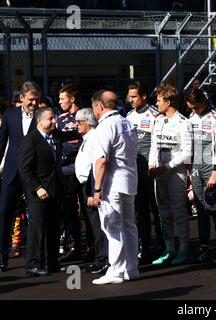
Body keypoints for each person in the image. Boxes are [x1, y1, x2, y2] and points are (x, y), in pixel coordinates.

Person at [18, 107, 79, 276]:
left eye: (55, 118)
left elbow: (73, 134)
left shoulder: (56, 135)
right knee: (37, 228)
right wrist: (37, 188)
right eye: (51, 119)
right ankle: (33, 264)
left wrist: (87, 126)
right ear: (39, 121)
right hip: (38, 191)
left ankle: (52, 262)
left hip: (56, 189)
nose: (55, 121)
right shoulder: (30, 140)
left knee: (53, 226)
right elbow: (24, 170)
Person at [89, 90, 140, 285]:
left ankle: (116, 270)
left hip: (113, 183)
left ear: (99, 106)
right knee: (128, 225)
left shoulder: (105, 126)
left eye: (94, 107)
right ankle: (131, 268)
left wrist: (96, 189)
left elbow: (101, 160)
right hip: (128, 180)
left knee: (112, 226)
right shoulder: (127, 122)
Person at [149, 85, 193, 266]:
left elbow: (187, 152)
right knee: (163, 213)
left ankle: (183, 249)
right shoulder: (158, 121)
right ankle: (169, 249)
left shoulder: (184, 123)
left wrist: (167, 167)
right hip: (159, 174)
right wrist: (152, 164)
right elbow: (154, 146)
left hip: (176, 174)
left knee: (179, 212)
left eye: (159, 100)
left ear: (168, 102)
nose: (156, 103)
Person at [185, 88, 216, 263]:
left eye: (195, 107)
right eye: (190, 108)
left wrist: (215, 172)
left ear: (202, 101)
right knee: (200, 210)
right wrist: (188, 172)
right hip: (196, 167)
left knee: (215, 209)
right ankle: (204, 245)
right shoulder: (191, 118)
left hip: (211, 167)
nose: (193, 110)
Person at [0, 81, 39, 272]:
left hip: (34, 174)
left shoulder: (42, 116)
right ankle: (1, 257)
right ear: (22, 98)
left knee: (36, 217)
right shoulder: (10, 115)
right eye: (31, 100)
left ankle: (35, 260)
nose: (34, 103)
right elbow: (2, 143)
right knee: (4, 215)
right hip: (11, 172)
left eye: (37, 100)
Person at [126, 82, 163, 261]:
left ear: (143, 97)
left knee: (157, 209)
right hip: (134, 171)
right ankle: (145, 246)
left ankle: (164, 245)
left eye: (133, 96)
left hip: (152, 170)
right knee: (139, 211)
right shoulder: (128, 116)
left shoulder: (155, 114)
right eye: (129, 96)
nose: (130, 99)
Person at [74, 108, 109, 274]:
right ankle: (99, 257)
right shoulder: (87, 138)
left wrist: (91, 191)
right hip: (84, 184)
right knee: (92, 224)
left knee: (97, 224)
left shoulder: (94, 137)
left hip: (90, 184)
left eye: (79, 122)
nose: (76, 125)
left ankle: (103, 259)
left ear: (88, 123)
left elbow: (94, 165)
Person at [57, 84, 83, 262]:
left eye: (62, 98)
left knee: (89, 210)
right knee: (69, 210)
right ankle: (74, 246)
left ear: (72, 99)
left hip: (83, 168)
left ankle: (94, 246)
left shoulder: (84, 116)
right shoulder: (60, 119)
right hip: (65, 169)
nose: (59, 102)